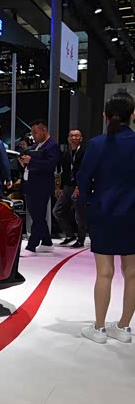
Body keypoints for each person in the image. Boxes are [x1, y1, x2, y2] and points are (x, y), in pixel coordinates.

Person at [76, 92, 135, 344]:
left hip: (103, 212)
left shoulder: (97, 144)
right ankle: (123, 327)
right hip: (132, 214)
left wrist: (88, 199)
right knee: (132, 273)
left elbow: (82, 178)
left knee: (104, 273)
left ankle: (99, 328)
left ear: (105, 116)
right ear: (133, 115)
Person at [20, 120, 61, 254]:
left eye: (35, 132)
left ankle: (31, 245)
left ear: (44, 130)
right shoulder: (36, 146)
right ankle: (47, 242)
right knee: (37, 216)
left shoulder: (52, 146)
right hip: (31, 185)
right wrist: (24, 163)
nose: (33, 135)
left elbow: (50, 165)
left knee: (38, 216)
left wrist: (31, 161)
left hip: (41, 186)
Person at [53, 129, 87, 249]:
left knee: (79, 215)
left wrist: (79, 187)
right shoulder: (66, 153)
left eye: (76, 136)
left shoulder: (84, 153)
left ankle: (81, 239)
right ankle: (69, 235)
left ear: (81, 139)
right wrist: (60, 187)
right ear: (68, 138)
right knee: (57, 211)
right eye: (71, 136)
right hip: (67, 186)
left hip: (79, 187)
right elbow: (64, 171)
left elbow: (85, 171)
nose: (74, 138)